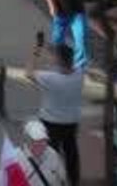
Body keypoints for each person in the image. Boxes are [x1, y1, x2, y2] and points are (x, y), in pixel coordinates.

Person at [27, 43, 82, 185]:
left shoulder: (49, 78)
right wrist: (56, 53)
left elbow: (28, 73)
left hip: (50, 123)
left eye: (54, 58)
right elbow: (69, 66)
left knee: (50, 155)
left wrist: (35, 53)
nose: (52, 60)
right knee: (71, 154)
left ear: (60, 61)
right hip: (71, 123)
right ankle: (74, 180)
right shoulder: (79, 75)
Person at [16, 119, 69, 186]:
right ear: (27, 139)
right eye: (35, 140)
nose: (40, 144)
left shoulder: (52, 154)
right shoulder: (16, 158)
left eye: (43, 140)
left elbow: (63, 178)